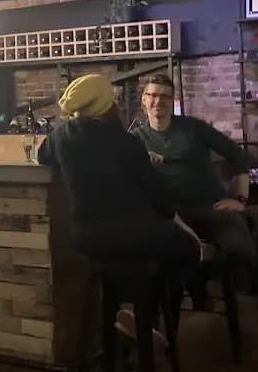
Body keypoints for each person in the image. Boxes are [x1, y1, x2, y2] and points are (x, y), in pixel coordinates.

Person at [37, 73, 202, 276]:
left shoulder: (61, 136)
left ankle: (124, 301)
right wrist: (183, 227)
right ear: (106, 104)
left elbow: (43, 156)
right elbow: (157, 196)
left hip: (85, 238)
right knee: (186, 248)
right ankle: (150, 303)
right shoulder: (127, 141)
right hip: (132, 233)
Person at [130, 75, 257, 290]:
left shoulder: (193, 128)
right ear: (143, 100)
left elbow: (239, 156)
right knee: (164, 258)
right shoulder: (135, 139)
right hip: (173, 216)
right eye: (151, 95)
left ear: (172, 101)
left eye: (164, 96)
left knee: (243, 251)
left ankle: (198, 280)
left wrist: (240, 199)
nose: (158, 101)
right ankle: (190, 284)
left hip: (211, 207)